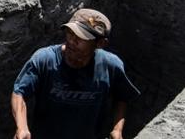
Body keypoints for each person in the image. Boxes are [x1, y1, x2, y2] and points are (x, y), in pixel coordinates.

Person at [12, 8, 140, 139]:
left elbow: (122, 97)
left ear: (100, 43)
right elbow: (19, 93)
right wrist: (22, 127)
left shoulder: (110, 66)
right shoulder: (45, 60)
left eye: (81, 37)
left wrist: (117, 130)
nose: (72, 41)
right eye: (70, 33)